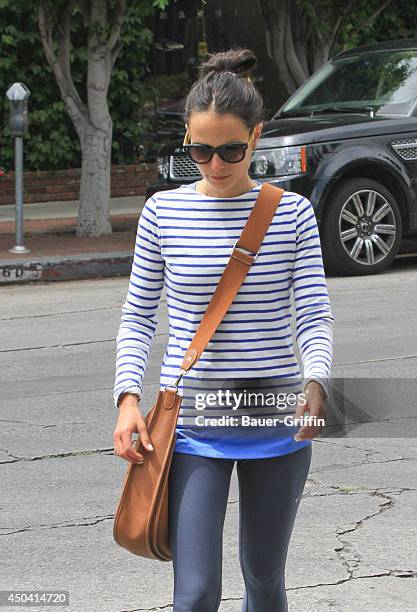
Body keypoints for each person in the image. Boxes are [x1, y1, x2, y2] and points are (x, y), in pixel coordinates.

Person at [113, 47, 334, 612]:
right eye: (200, 150)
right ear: (187, 141)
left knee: (263, 578)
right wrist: (127, 398)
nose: (215, 164)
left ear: (256, 137)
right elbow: (139, 315)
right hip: (190, 423)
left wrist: (316, 384)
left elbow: (312, 312)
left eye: (230, 149)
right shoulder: (164, 213)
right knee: (194, 594)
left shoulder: (292, 214)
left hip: (275, 418)